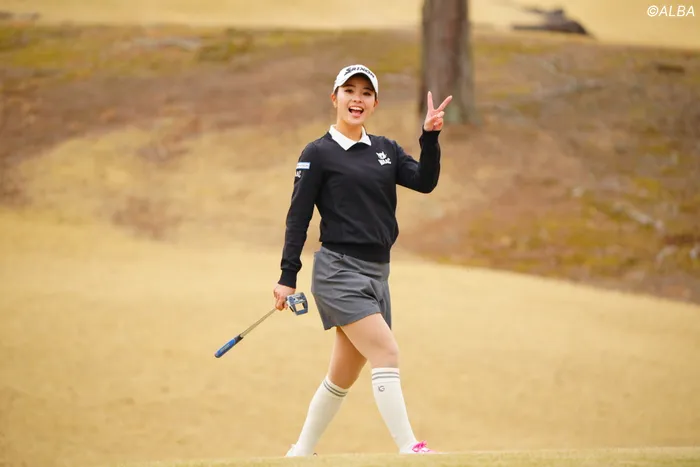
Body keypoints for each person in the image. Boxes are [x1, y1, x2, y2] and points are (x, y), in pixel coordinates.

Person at [272, 64, 451, 457]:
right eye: (349, 90)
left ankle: (300, 453)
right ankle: (409, 447)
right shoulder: (317, 153)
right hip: (338, 272)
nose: (357, 99)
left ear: (374, 103)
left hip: (377, 276)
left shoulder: (386, 149)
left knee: (342, 376)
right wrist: (288, 276)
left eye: (366, 93)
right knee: (386, 352)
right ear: (334, 98)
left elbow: (424, 182)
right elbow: (298, 218)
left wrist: (430, 137)